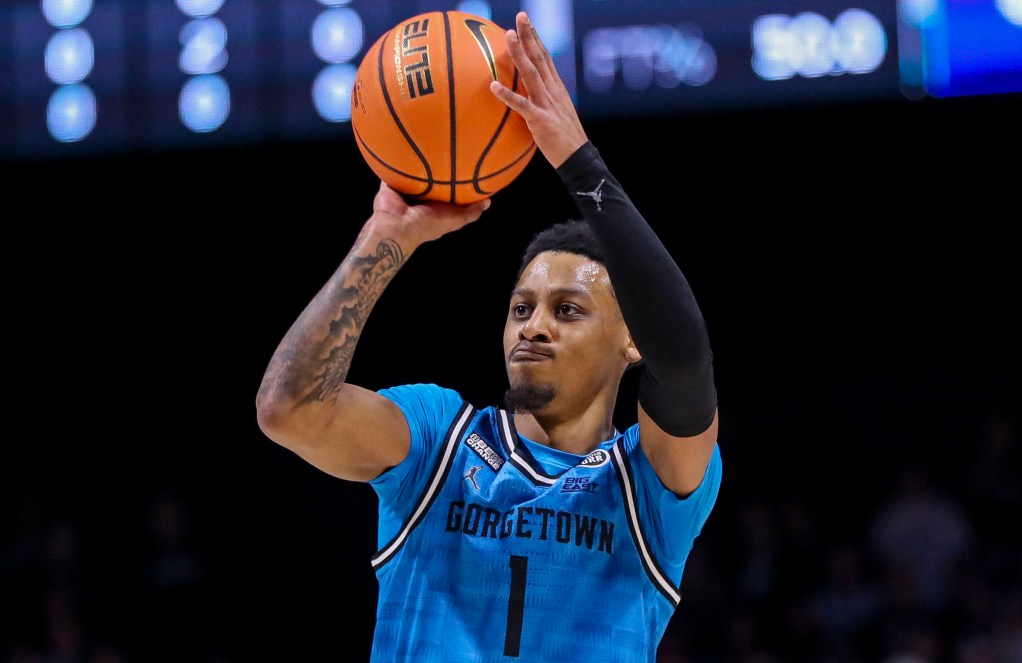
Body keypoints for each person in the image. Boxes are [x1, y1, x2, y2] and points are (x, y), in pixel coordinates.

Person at [256, 11, 722, 663]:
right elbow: (289, 408)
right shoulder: (439, 439)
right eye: (521, 307)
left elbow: (685, 354)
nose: (533, 324)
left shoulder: (646, 484)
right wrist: (386, 237)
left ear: (631, 341)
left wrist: (576, 160)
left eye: (568, 309)